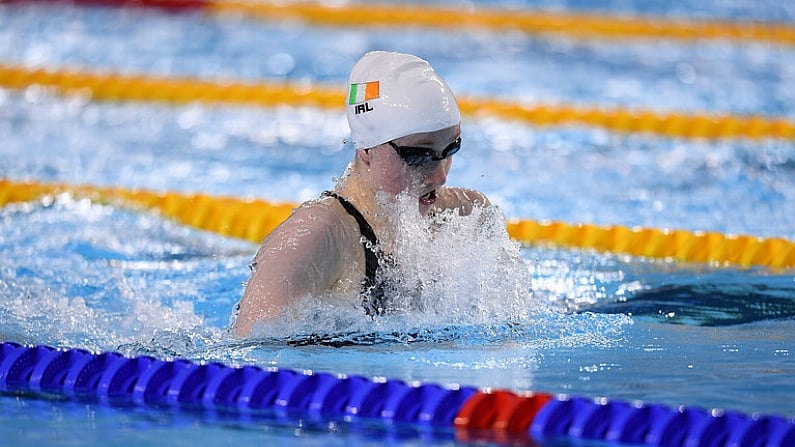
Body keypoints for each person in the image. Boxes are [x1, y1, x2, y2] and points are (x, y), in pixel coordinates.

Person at [233, 51, 491, 337]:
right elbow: (247, 357)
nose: (440, 175)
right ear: (367, 149)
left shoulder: (466, 216)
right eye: (418, 155)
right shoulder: (314, 239)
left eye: (451, 149)